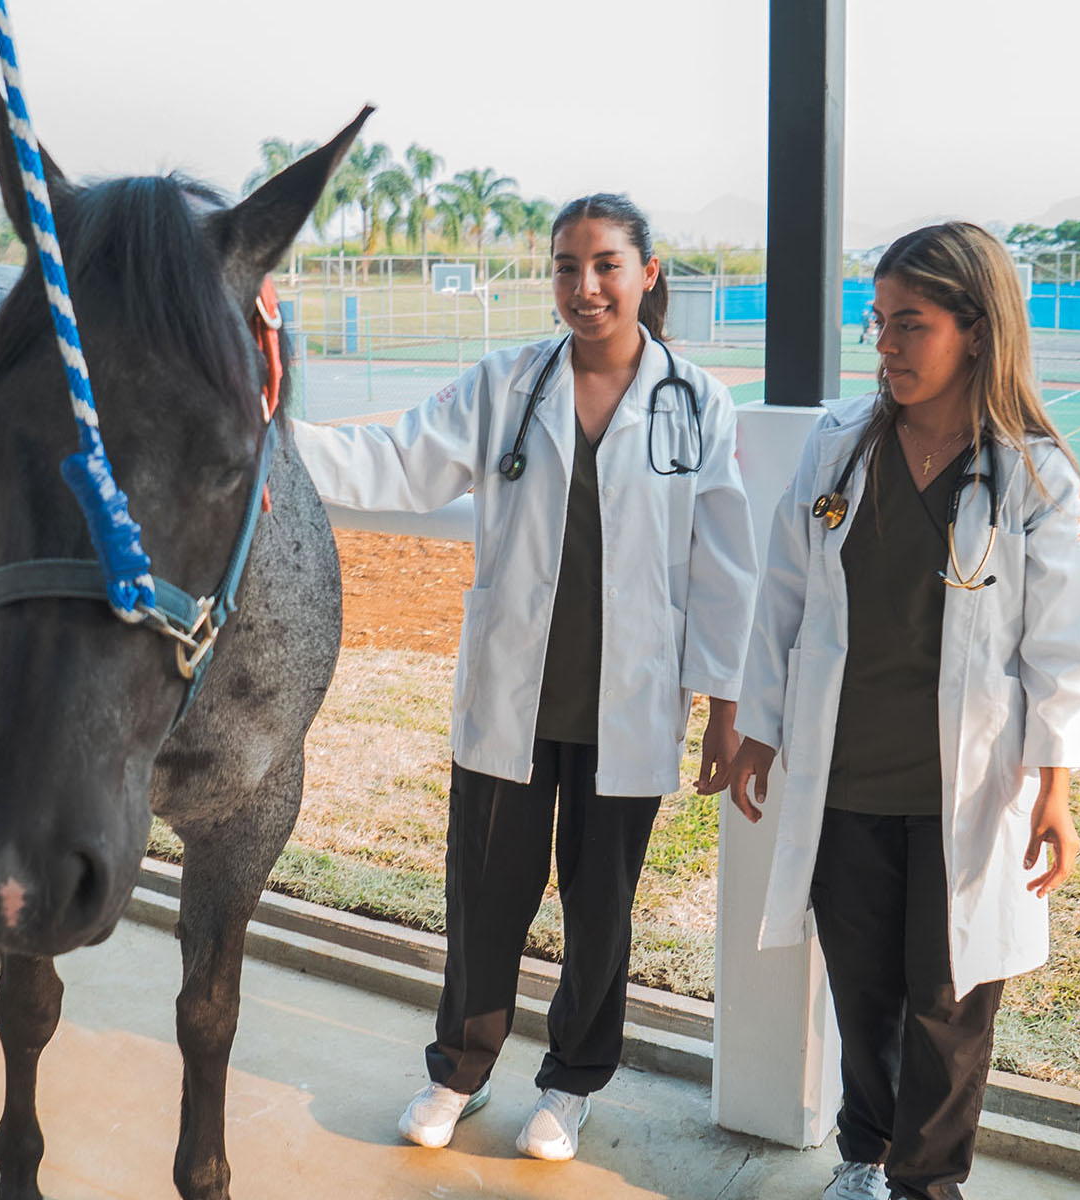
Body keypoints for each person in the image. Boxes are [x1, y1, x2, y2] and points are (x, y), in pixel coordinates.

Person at [291, 194, 756, 1162]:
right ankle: (457, 1072)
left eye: (605, 265)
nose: (584, 287)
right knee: (485, 899)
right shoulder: (508, 384)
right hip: (514, 696)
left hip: (627, 702)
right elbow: (397, 464)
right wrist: (264, 435)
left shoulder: (694, 401)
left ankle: (571, 1085)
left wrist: (727, 704)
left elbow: (724, 561)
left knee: (600, 911)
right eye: (565, 266)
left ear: (647, 274)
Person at [705, 222, 1080, 1200]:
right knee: (864, 991)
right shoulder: (840, 449)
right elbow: (782, 602)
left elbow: (1063, 648)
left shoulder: (1034, 476)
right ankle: (862, 1158)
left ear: (975, 328)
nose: (883, 345)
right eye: (877, 323)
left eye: (908, 325)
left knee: (949, 1001)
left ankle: (929, 1184)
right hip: (848, 782)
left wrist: (1055, 786)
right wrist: (759, 726)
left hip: (967, 794)